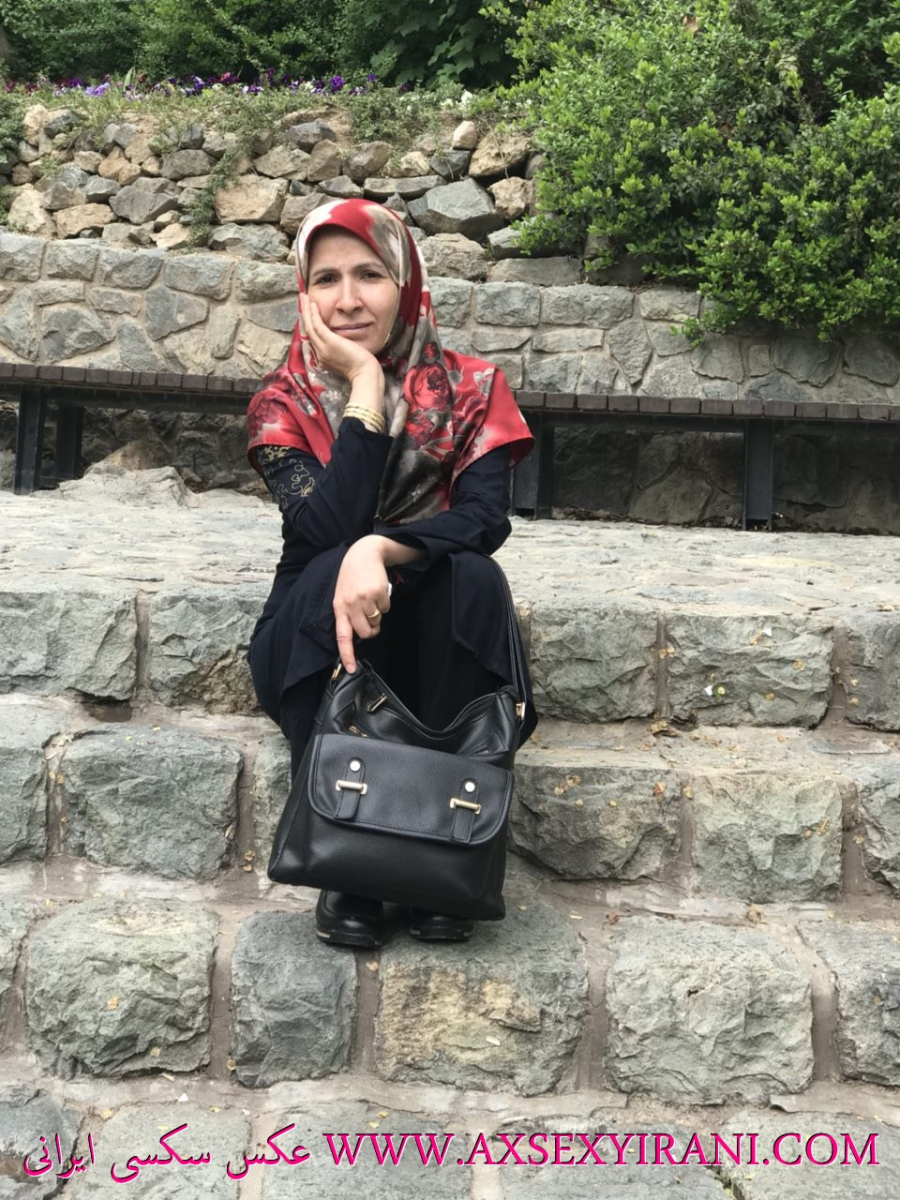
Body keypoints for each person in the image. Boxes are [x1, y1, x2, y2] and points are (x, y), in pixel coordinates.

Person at [245, 197, 537, 949]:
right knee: (329, 569)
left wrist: (380, 550)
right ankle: (351, 859)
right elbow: (324, 531)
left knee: (472, 578)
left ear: (405, 283)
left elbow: (484, 519)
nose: (347, 300)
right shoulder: (283, 401)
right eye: (326, 279)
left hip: (427, 619)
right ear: (304, 295)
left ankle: (446, 851)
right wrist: (367, 388)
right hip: (315, 630)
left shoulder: (473, 388)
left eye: (370, 274)